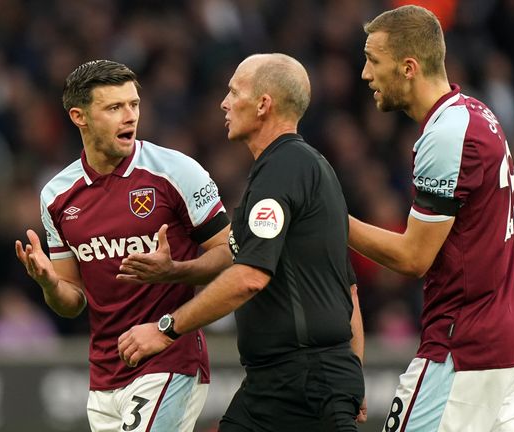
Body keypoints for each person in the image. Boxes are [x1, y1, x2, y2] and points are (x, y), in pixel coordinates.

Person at [116, 53, 367, 431]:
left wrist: (165, 329)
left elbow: (250, 276)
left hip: (305, 384)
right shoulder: (310, 168)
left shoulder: (282, 169)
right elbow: (347, 290)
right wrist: (177, 271)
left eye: (234, 91)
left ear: (264, 104)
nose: (224, 102)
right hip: (283, 383)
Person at [14, 59, 232, 432]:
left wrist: (175, 271)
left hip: (169, 358)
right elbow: (72, 301)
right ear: (79, 117)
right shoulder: (56, 195)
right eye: (114, 108)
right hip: (105, 374)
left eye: (133, 105)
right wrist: (49, 284)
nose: (129, 116)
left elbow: (229, 251)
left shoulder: (176, 172)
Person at [352, 6, 514, 432]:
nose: (365, 74)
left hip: (462, 350)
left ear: (408, 67)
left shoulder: (446, 134)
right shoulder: (479, 114)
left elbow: (413, 258)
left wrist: (331, 220)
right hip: (509, 345)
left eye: (373, 61)